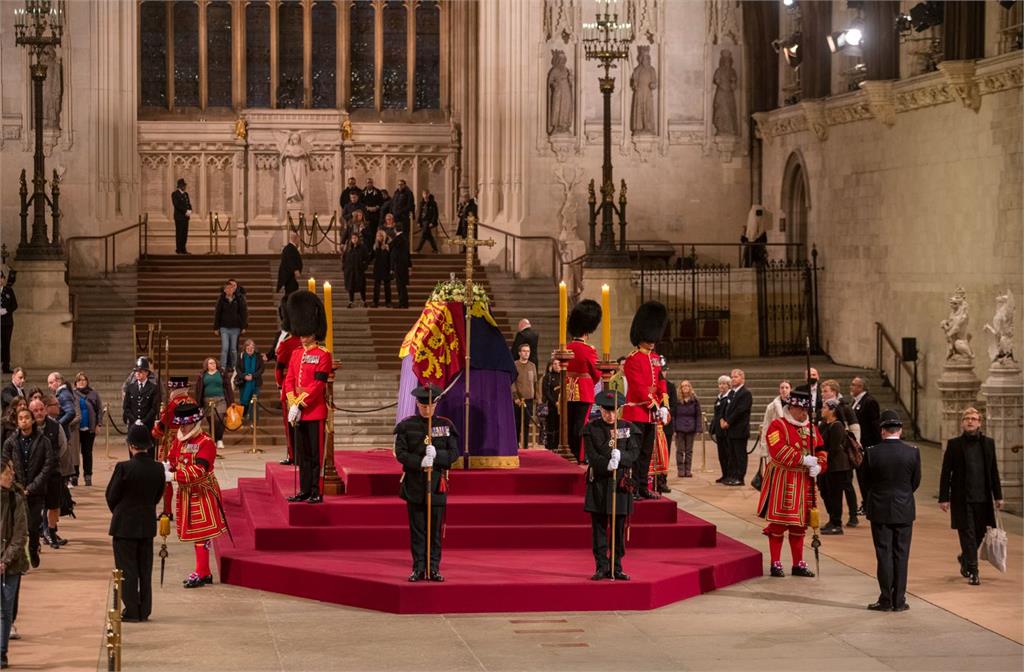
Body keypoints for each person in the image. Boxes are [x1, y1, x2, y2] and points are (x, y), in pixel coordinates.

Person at [756, 387, 825, 578]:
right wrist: (802, 459)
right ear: (792, 407)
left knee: (799, 525)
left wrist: (819, 465)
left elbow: (821, 448)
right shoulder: (778, 425)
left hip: (804, 482)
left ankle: (798, 563)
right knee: (779, 524)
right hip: (783, 479)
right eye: (801, 410)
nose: (804, 414)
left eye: (807, 411)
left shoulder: (811, 427)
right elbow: (777, 450)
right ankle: (776, 563)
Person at [394, 384, 459, 582]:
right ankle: (418, 567)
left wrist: (438, 455)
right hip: (415, 483)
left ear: (436, 405)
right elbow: (401, 453)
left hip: (437, 483)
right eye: (423, 407)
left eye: (430, 406)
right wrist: (419, 461)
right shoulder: (406, 426)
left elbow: (454, 453)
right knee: (418, 530)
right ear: (417, 404)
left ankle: (434, 567)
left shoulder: (445, 426)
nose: (427, 410)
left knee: (435, 531)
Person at [105, 425, 166, 622]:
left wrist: (121, 511)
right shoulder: (158, 468)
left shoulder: (124, 467)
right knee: (144, 569)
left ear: (131, 445)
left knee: (127, 569)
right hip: (147, 523)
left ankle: (131, 610)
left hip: (124, 525)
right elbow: (158, 495)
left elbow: (111, 495)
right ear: (148, 446)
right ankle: (144, 609)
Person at [862, 410, 921, 612]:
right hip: (904, 508)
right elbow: (915, 482)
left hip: (879, 508)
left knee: (884, 554)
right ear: (901, 430)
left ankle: (886, 599)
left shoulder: (871, 452)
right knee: (901, 555)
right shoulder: (912, 452)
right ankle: (899, 600)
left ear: (882, 431)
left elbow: (866, 482)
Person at [166, 402, 228, 588]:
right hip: (187, 491)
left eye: (185, 424)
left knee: (201, 534)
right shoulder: (179, 440)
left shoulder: (205, 442)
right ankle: (204, 571)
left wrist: (175, 475)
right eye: (180, 424)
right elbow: (172, 458)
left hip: (202, 492)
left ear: (194, 423)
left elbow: (200, 470)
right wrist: (167, 467)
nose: (182, 427)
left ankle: (202, 572)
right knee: (196, 534)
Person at [939, 407, 1003, 586]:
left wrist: (998, 496)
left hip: (983, 497)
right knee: (967, 534)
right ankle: (974, 571)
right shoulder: (954, 444)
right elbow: (946, 473)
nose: (970, 421)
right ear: (962, 422)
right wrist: (944, 497)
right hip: (962, 497)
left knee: (980, 533)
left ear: (979, 422)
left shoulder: (988, 443)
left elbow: (993, 471)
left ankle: (966, 557)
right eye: (967, 418)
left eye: (974, 418)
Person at [583, 389, 639, 581]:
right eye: (607, 411)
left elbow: (634, 454)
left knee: (618, 527)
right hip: (598, 482)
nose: (610, 415)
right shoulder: (592, 428)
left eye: (614, 411)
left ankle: (616, 566)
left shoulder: (628, 427)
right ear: (601, 410)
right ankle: (601, 566)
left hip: (620, 484)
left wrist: (622, 457)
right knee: (599, 527)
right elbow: (591, 454)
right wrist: (606, 464)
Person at [283, 290, 333, 504]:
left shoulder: (324, 355)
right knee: (302, 456)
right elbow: (289, 380)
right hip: (298, 411)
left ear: (314, 331)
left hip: (313, 411)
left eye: (306, 332)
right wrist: (292, 403)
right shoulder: (295, 354)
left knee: (314, 456)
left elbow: (318, 384)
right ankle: (304, 490)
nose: (302, 336)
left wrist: (300, 404)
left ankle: (315, 491)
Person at [622, 301, 670, 499]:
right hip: (637, 412)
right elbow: (638, 387)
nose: (652, 341)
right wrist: (655, 404)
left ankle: (642, 486)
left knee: (646, 453)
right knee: (634, 453)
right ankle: (632, 487)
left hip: (650, 415)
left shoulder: (656, 357)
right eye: (649, 338)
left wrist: (665, 405)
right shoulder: (632, 359)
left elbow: (660, 382)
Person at [1, 407, 53, 569]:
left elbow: (48, 464)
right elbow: (6, 464)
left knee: (33, 524)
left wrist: (31, 487)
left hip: (35, 491)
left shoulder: (43, 441)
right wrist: (16, 485)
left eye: (27, 418)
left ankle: (33, 547)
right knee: (16, 524)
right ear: (17, 422)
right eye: (21, 418)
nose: (24, 420)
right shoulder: (10, 442)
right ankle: (17, 556)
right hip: (15, 490)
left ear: (32, 420)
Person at [565, 300, 602, 462]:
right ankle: (579, 455)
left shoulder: (567, 346)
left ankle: (568, 451)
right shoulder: (589, 350)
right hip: (584, 391)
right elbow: (597, 373)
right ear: (587, 331)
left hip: (568, 389)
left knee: (569, 423)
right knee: (581, 425)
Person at [152, 376, 194, 516]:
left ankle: (167, 510)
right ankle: (189, 508)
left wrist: (156, 430)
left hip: (173, 441)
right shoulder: (192, 401)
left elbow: (161, 427)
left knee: (166, 475)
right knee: (188, 475)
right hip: (192, 441)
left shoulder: (173, 404)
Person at [1, 456, 28, 669]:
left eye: (11, 471)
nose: (11, 475)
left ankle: (2, 652)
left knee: (5, 610)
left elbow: (20, 535)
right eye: (7, 472)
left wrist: (5, 560)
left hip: (12, 563)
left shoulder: (16, 499)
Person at [820, 379, 859, 527]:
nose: (822, 394)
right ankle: (834, 518)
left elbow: (854, 429)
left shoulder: (844, 408)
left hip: (842, 457)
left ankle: (853, 515)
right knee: (830, 490)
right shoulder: (824, 414)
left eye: (825, 391)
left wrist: (855, 449)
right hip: (830, 459)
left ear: (834, 392)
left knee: (846, 487)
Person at [36, 397, 71, 549]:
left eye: (40, 410)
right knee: (38, 506)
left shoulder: (56, 426)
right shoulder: (29, 427)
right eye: (35, 411)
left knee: (54, 505)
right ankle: (39, 536)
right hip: (35, 474)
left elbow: (63, 446)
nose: (39, 413)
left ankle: (51, 532)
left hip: (53, 471)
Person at [273, 302, 302, 466]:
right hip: (305, 388)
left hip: (290, 388)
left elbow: (279, 368)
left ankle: (293, 455)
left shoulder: (286, 343)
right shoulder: (308, 344)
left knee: (289, 424)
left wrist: (279, 386)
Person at [719, 368, 752, 486]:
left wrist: (728, 421)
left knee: (740, 455)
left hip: (739, 429)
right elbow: (726, 407)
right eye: (732, 377)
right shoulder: (732, 393)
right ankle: (732, 476)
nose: (733, 379)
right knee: (732, 455)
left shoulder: (745, 393)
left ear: (742, 379)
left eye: (736, 377)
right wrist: (722, 419)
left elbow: (740, 411)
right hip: (730, 430)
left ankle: (740, 477)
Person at [194, 357, 234, 449]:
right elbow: (198, 389)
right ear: (206, 365)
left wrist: (231, 401)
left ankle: (219, 439)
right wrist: (198, 402)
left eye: (214, 363)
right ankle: (213, 440)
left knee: (220, 419)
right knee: (212, 421)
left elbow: (228, 387)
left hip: (220, 400)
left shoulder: (222, 373)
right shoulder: (202, 375)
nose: (213, 365)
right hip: (207, 401)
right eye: (210, 363)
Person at [72, 373, 102, 487]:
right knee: (75, 453)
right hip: (76, 428)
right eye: (79, 380)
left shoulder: (93, 393)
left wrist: (98, 424)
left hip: (89, 428)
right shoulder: (72, 394)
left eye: (84, 380)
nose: (82, 382)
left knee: (87, 453)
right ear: (76, 382)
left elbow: (99, 409)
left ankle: (88, 476)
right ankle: (74, 476)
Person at [213, 279, 247, 371]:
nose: (229, 290)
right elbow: (217, 313)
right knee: (225, 348)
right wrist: (216, 327)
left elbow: (243, 312)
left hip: (235, 328)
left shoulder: (239, 298)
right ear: (224, 290)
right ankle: (223, 367)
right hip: (224, 327)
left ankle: (235, 366)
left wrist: (243, 326)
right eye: (227, 288)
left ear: (234, 289)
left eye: (231, 288)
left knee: (233, 349)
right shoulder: (221, 299)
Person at [123, 357, 159, 437]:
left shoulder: (153, 388)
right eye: (136, 371)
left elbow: (154, 408)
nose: (137, 373)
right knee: (133, 447)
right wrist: (135, 420)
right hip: (133, 424)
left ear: (146, 372)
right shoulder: (130, 387)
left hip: (148, 425)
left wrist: (143, 421)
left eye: (140, 371)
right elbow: (126, 407)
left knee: (149, 448)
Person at [672, 379, 701, 478]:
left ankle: (688, 470)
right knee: (680, 450)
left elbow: (698, 415)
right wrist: (674, 429)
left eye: (687, 386)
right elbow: (674, 415)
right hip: (679, 428)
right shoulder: (677, 400)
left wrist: (698, 429)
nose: (685, 388)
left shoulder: (695, 400)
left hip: (691, 428)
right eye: (683, 386)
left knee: (689, 451)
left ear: (690, 387)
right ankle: (681, 470)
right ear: (680, 388)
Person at [512, 344, 537, 449]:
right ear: (519, 353)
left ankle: (526, 445)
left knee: (527, 424)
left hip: (529, 399)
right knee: (517, 423)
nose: (526, 353)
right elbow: (512, 382)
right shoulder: (514, 365)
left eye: (528, 351)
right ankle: (516, 445)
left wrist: (536, 396)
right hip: (518, 399)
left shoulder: (532, 365)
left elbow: (535, 382)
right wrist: (515, 397)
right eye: (524, 351)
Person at [758, 380, 791, 459]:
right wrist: (764, 448)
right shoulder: (771, 407)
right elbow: (766, 426)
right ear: (779, 390)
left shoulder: (795, 406)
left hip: (791, 439)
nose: (784, 390)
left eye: (787, 387)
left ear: (790, 389)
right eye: (782, 387)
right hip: (776, 439)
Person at [235, 340, 264, 425]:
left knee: (254, 402)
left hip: (256, 383)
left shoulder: (258, 356)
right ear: (245, 348)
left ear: (254, 348)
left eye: (252, 348)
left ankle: (253, 421)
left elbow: (261, 369)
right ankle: (242, 418)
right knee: (244, 401)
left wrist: (253, 376)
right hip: (244, 383)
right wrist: (244, 376)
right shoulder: (241, 356)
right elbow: (237, 368)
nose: (250, 349)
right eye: (248, 348)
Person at [710, 375, 731, 483]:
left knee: (728, 454)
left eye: (724, 384)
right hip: (719, 431)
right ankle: (724, 474)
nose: (722, 386)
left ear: (728, 385)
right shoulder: (719, 398)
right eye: (720, 384)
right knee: (721, 455)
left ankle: (729, 475)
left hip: (726, 430)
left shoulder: (729, 398)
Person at [343, 232, 370, 308]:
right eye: (352, 238)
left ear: (358, 239)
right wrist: (344, 267)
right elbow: (344, 258)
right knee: (350, 287)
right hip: (350, 271)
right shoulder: (348, 248)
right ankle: (351, 301)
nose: (354, 240)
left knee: (361, 286)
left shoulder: (362, 247)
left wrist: (363, 266)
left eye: (355, 238)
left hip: (359, 270)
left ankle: (364, 301)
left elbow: (367, 258)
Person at [388, 224, 412, 309]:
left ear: (395, 230)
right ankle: (404, 303)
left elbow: (390, 246)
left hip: (399, 265)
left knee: (400, 285)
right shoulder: (404, 238)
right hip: (404, 265)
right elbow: (407, 253)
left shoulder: (398, 238)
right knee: (403, 285)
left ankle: (402, 303)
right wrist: (410, 265)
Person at [46, 372, 75, 438]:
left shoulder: (63, 394)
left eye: (51, 383)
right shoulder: (62, 393)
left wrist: (57, 424)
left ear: (58, 381)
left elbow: (71, 412)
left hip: (63, 432)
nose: (49, 386)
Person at [541, 358, 561, 451]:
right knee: (551, 425)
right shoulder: (548, 377)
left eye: (559, 364)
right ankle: (550, 445)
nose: (557, 366)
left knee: (559, 426)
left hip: (562, 406)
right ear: (551, 366)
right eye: (555, 364)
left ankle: (558, 444)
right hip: (552, 405)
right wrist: (555, 402)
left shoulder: (564, 376)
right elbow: (546, 392)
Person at [276, 230, 303, 297]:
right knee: (291, 291)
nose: (299, 242)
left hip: (291, 276)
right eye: (299, 239)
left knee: (293, 289)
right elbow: (290, 260)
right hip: (289, 276)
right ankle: (289, 305)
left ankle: (290, 305)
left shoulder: (291, 248)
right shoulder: (289, 248)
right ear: (295, 239)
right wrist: (295, 270)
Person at [370, 230, 393, 308]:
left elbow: (391, 258)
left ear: (384, 236)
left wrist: (391, 268)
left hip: (386, 267)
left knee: (387, 286)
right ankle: (375, 302)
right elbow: (371, 256)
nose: (379, 238)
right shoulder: (375, 246)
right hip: (377, 267)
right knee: (376, 287)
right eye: (378, 236)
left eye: (380, 236)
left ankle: (388, 302)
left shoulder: (388, 245)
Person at [171, 178, 192, 255]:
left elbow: (188, 204)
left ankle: (183, 249)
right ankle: (179, 249)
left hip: (186, 217)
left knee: (184, 233)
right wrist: (185, 211)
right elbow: (177, 205)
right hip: (179, 217)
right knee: (179, 233)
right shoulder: (175, 194)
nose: (184, 187)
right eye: (183, 185)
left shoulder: (186, 194)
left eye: (184, 185)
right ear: (179, 186)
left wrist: (190, 210)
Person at [0, 273, 15, 374]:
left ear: (4, 279)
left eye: (1, 278)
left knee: (6, 344)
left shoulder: (9, 290)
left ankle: (6, 366)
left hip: (6, 322)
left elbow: (15, 305)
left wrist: (6, 310)